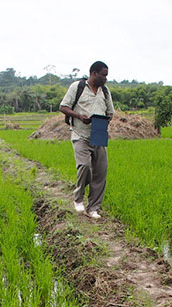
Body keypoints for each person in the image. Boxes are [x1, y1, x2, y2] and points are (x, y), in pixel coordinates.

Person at [58, 61, 114, 219]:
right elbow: (63, 107)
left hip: (99, 135)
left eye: (106, 76)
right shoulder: (78, 87)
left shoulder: (105, 91)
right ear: (94, 73)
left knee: (100, 173)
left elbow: (110, 112)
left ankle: (93, 208)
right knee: (85, 166)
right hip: (80, 135)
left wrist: (102, 121)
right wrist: (80, 117)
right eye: (103, 75)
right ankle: (78, 198)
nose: (105, 78)